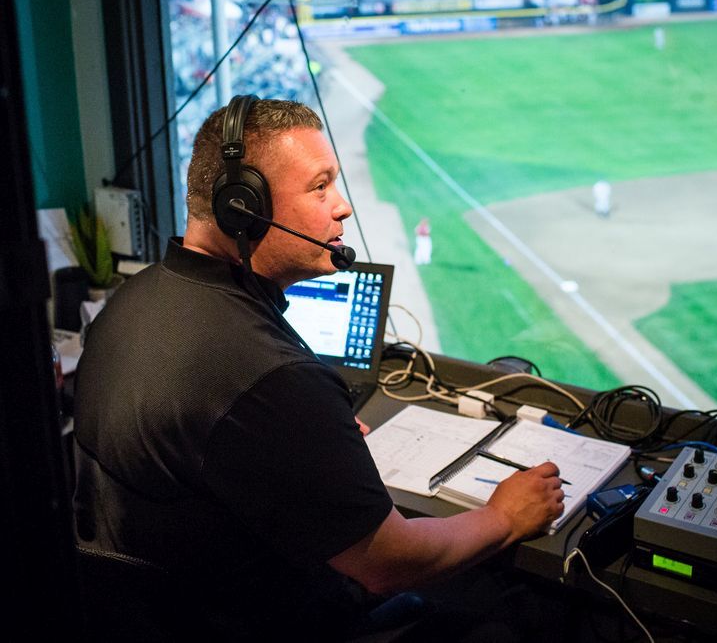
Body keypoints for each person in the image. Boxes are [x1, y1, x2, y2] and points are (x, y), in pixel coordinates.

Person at [71, 99, 565, 640]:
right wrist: (505, 516)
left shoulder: (131, 302)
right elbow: (389, 565)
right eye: (320, 186)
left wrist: (300, 446)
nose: (343, 207)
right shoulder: (268, 377)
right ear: (244, 207)